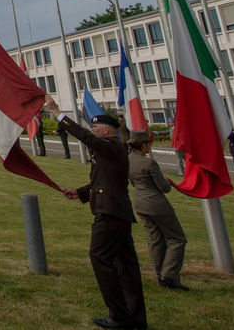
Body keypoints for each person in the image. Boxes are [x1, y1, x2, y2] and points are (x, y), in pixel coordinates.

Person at [45, 95, 145, 330]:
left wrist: (58, 112)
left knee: (100, 258)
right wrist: (79, 193)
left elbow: (85, 137)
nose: (93, 129)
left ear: (107, 131)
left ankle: (120, 316)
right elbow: (102, 182)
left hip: (110, 214)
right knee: (126, 266)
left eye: (96, 126)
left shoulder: (113, 148)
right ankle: (135, 318)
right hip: (117, 212)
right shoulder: (109, 152)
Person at [127, 129, 188, 291]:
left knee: (155, 240)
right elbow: (163, 187)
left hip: (140, 202)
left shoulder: (130, 159)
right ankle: (168, 274)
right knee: (177, 238)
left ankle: (160, 274)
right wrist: (167, 183)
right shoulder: (149, 162)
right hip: (156, 203)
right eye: (148, 144)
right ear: (144, 145)